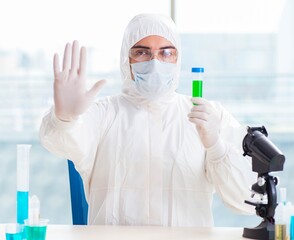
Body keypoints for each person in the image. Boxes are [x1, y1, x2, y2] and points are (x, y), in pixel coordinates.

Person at [39, 13, 256, 226]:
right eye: (142, 52)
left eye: (166, 53)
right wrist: (65, 119)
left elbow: (248, 200)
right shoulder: (103, 114)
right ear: (127, 58)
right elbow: (59, 142)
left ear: (177, 58)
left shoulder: (206, 116)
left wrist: (216, 146)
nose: (155, 63)